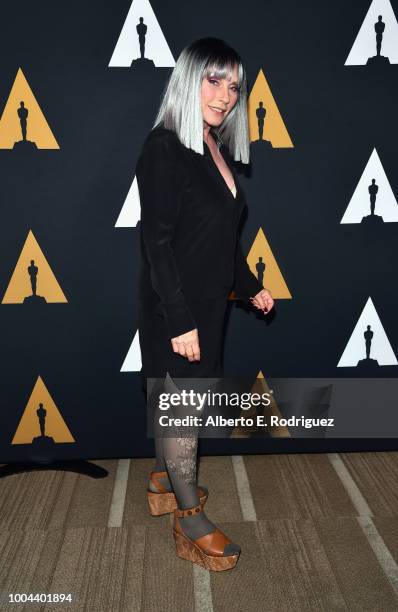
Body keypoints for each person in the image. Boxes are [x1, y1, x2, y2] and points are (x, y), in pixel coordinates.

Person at [136, 37, 274, 571]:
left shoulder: (212, 146)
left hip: (207, 301)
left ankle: (160, 481)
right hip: (176, 305)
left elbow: (220, 236)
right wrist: (179, 320)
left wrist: (249, 281)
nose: (224, 94)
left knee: (179, 401)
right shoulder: (164, 146)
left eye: (234, 85)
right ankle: (188, 519)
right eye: (213, 80)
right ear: (188, 80)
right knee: (183, 408)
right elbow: (158, 243)